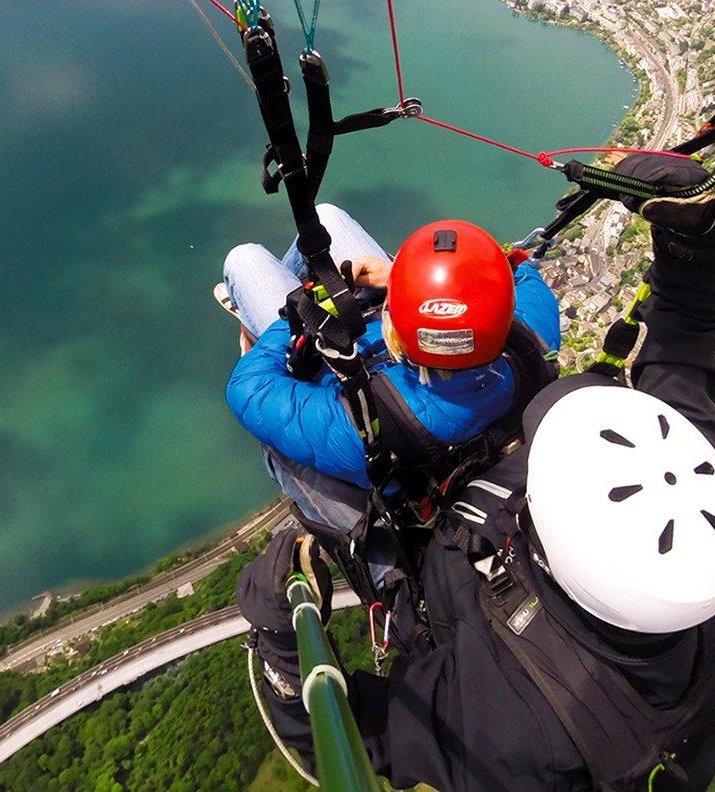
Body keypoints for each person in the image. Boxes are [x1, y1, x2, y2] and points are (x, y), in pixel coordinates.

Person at [237, 155, 715, 792]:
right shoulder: (671, 469)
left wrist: (279, 643)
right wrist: (694, 238)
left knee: (258, 274)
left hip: (422, 549)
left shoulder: (515, 720)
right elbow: (682, 344)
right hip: (456, 488)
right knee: (309, 242)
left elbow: (341, 746)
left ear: (545, 539)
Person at [222, 203, 561, 546]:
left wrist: (296, 316)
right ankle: (296, 285)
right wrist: (403, 276)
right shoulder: (530, 337)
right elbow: (514, 270)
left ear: (396, 331)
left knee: (242, 260)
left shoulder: (366, 425)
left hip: (322, 351)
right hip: (397, 344)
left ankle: (273, 305)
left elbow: (248, 386)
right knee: (323, 217)